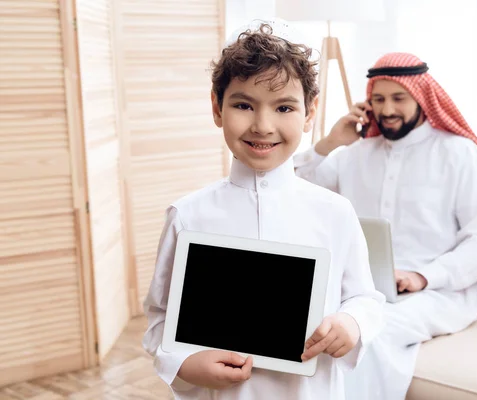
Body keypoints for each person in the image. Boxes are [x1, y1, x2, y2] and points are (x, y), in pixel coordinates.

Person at [141, 19, 385, 400]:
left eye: (284, 107)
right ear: (217, 108)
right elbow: (160, 316)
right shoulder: (187, 214)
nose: (263, 125)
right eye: (243, 105)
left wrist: (351, 322)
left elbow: (366, 299)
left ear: (309, 114)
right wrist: (184, 363)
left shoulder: (335, 212)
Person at [293, 52, 477, 398]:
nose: (387, 110)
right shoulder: (355, 154)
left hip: (439, 292)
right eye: (378, 99)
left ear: (422, 98)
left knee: (365, 334)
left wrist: (423, 276)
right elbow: (294, 192)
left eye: (399, 98)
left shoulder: (459, 154)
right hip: (362, 289)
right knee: (314, 328)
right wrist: (330, 143)